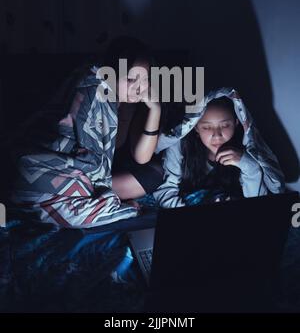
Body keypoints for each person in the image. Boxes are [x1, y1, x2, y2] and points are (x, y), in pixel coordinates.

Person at [10, 37, 163, 227]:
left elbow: (142, 158)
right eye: (131, 79)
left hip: (104, 173)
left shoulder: (137, 101)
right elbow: (83, 152)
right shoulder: (94, 91)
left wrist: (155, 110)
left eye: (146, 79)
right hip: (64, 165)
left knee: (155, 173)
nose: (139, 88)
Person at [153, 88, 285, 208]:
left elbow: (257, 205)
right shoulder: (181, 145)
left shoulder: (245, 148)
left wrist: (248, 165)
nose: (217, 135)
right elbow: (166, 191)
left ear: (236, 122)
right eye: (207, 127)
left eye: (225, 125)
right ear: (196, 128)